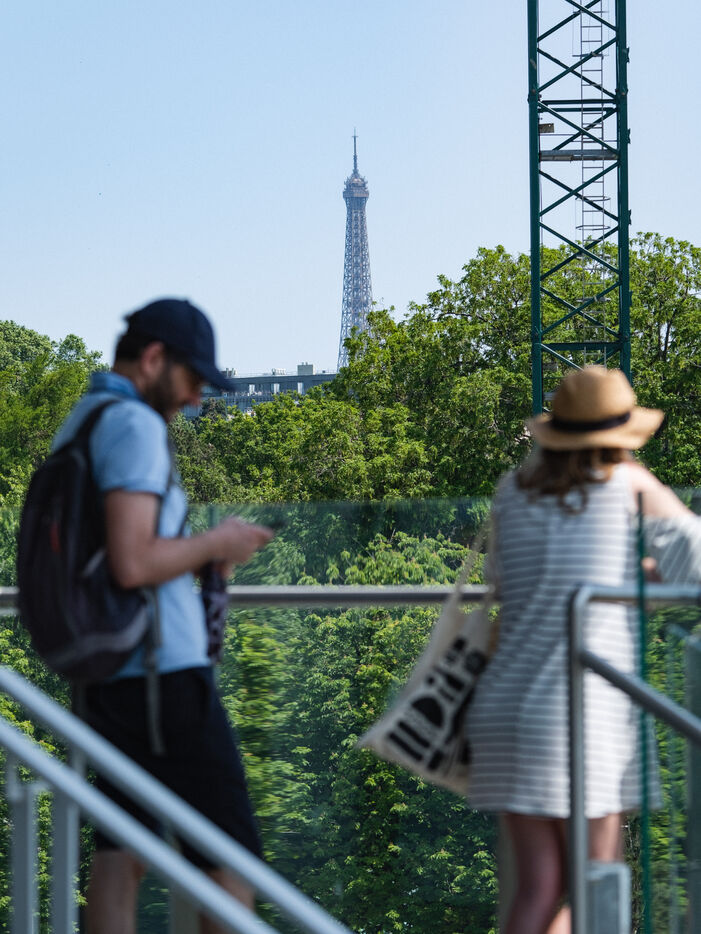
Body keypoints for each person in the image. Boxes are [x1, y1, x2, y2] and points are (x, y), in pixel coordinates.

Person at [51, 298, 273, 934]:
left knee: (120, 854)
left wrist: (200, 558)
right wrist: (216, 543)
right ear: (154, 359)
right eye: (193, 378)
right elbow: (133, 561)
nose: (198, 397)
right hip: (161, 675)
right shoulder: (134, 426)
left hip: (112, 673)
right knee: (232, 863)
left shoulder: (85, 417)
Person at [464, 365, 700, 934]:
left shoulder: (513, 490)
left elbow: (510, 580)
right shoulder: (628, 484)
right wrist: (644, 572)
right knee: (596, 885)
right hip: (580, 708)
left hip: (503, 706)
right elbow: (694, 565)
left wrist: (625, 574)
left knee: (538, 889)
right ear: (620, 435)